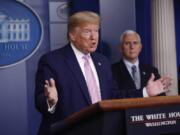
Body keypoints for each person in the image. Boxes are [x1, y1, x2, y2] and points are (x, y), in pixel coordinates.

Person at [35, 12, 171, 135]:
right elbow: (40, 101)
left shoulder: (102, 61)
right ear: (72, 35)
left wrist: (146, 92)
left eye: (96, 30)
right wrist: (50, 101)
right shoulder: (52, 61)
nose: (94, 37)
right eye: (87, 31)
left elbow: (114, 96)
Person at [112, 30, 171, 98]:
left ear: (140, 47)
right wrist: (145, 92)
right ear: (121, 47)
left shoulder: (152, 71)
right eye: (127, 43)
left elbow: (161, 98)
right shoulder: (112, 71)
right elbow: (114, 96)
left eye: (135, 43)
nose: (132, 47)